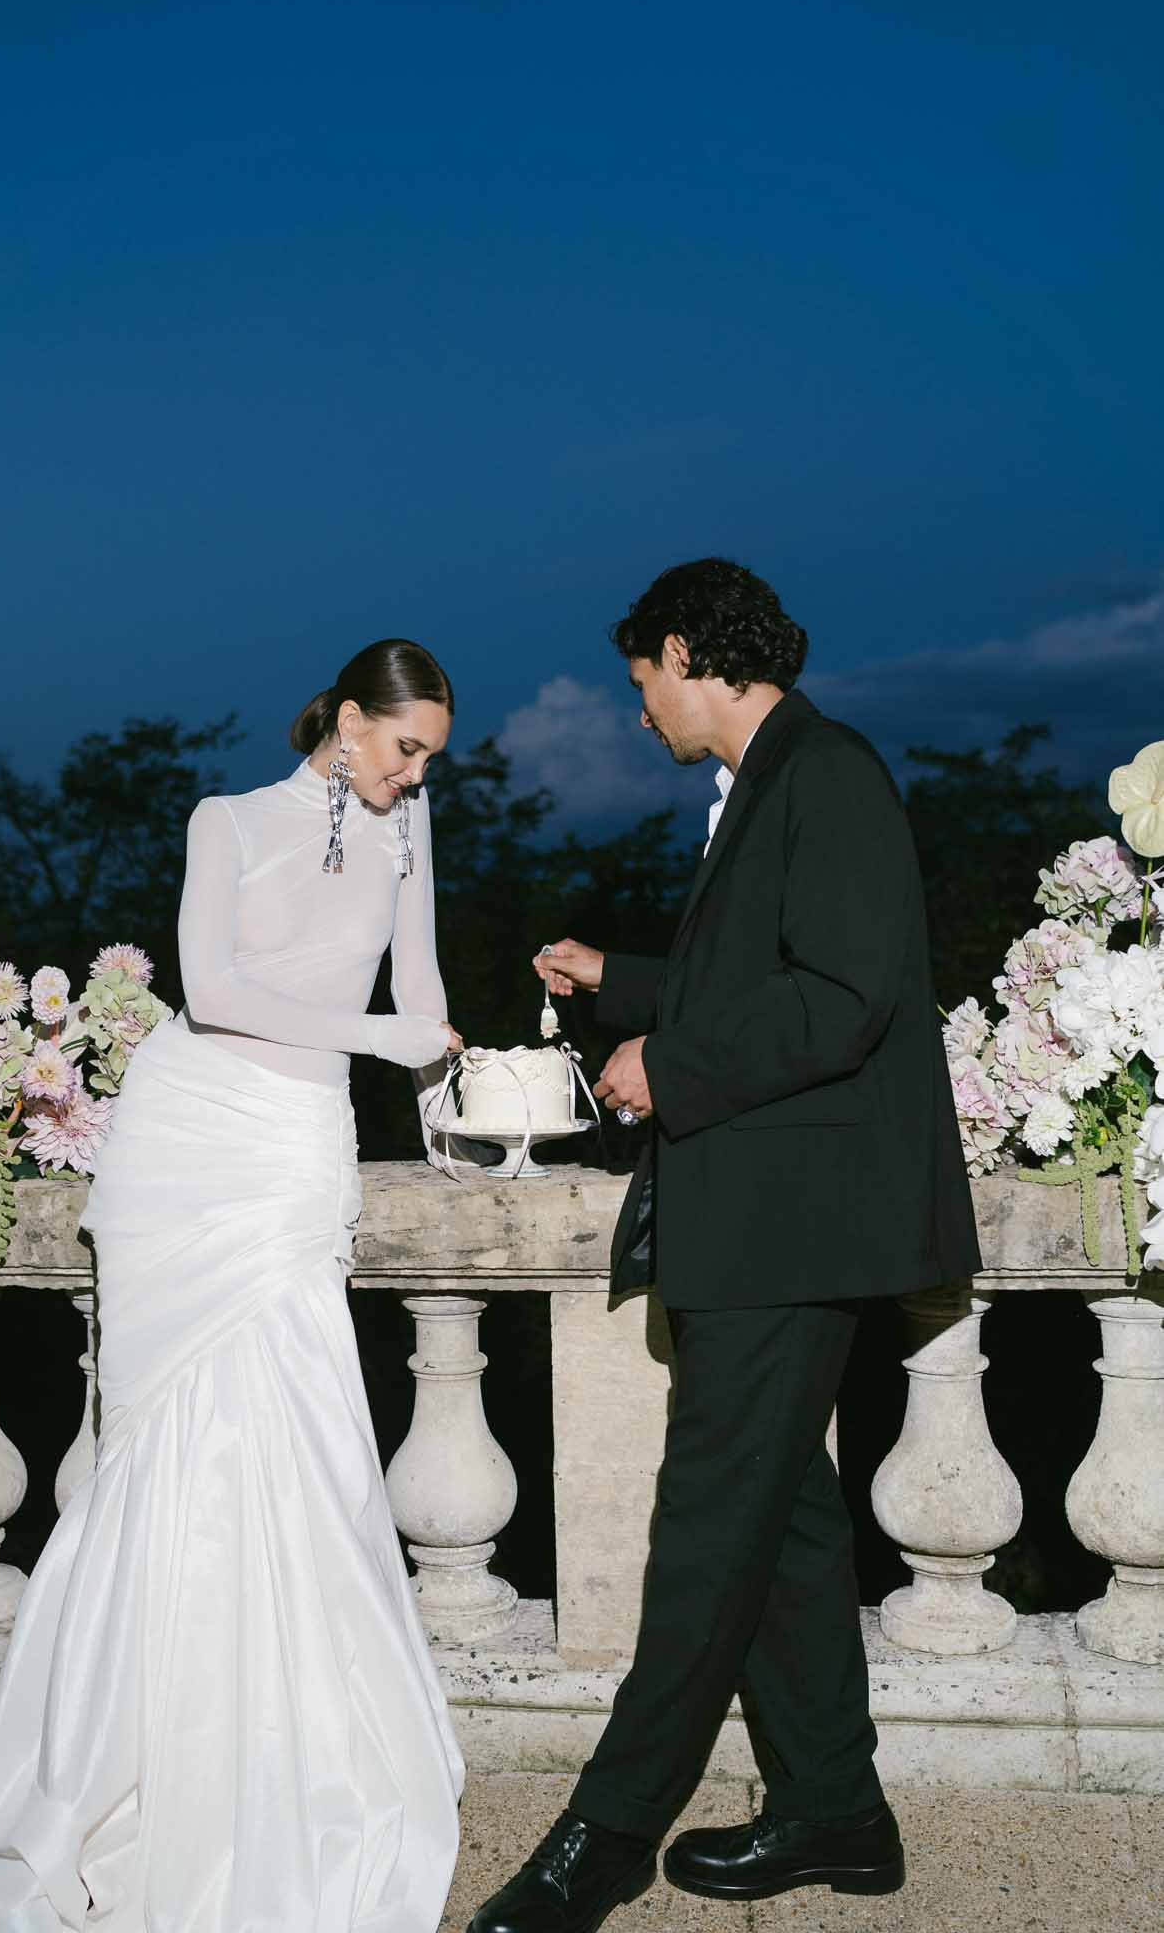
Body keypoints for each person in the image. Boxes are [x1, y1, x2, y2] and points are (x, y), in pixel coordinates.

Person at [0, 638, 466, 1933]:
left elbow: (423, 984)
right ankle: (129, 1760)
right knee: (167, 1450)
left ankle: (290, 1757)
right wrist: (387, 1038)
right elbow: (211, 991)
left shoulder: (411, 825)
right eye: (402, 746)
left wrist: (449, 1114)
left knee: (306, 1438)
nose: (415, 770)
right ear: (343, 721)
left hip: (294, 1152)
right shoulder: (224, 820)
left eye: (431, 752)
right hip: (190, 1134)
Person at [468, 559, 980, 1933]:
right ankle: (835, 1814)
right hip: (766, 1223)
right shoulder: (774, 780)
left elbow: (846, 995)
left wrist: (662, 1064)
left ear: (686, 652)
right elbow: (760, 970)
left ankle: (607, 1833)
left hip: (791, 1229)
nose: (636, 709)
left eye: (640, 680)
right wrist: (617, 982)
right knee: (784, 1526)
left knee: (703, 1533)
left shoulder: (827, 772)